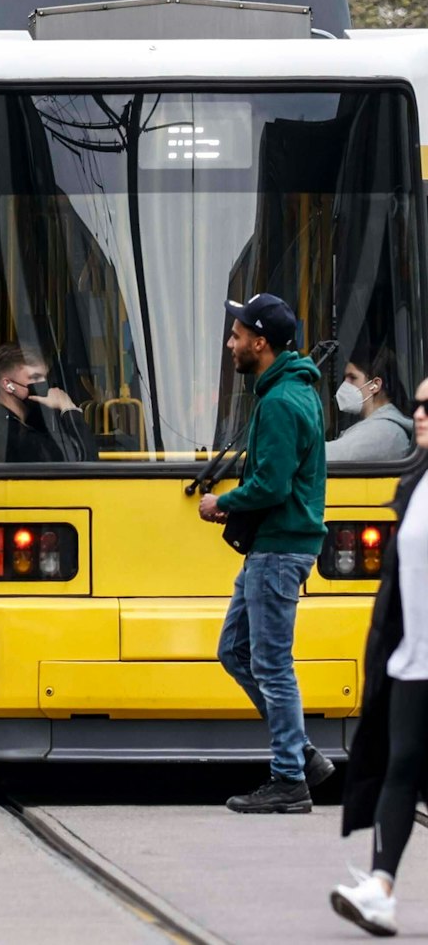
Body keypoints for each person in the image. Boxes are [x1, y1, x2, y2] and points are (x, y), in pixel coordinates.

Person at [196, 294, 333, 813]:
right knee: (234, 650)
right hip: (272, 548)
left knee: (272, 664)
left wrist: (222, 502)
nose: (230, 345)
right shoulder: (288, 391)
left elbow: (272, 484)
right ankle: (300, 756)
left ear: (260, 342)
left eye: (236, 336)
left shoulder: (279, 402)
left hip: (279, 549)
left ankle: (288, 780)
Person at [332, 376, 428, 934]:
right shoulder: (414, 483)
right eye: (415, 404)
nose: (417, 414)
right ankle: (379, 889)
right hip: (412, 662)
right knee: (401, 769)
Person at [0, 344, 93, 463]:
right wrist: (69, 409)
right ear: (8, 385)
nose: (44, 384)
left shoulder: (23, 422)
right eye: (35, 378)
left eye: (45, 378)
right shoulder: (11, 435)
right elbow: (84, 461)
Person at [328, 349, 413, 463]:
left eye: (352, 378)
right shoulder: (377, 426)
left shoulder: (383, 432)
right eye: (345, 379)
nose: (345, 385)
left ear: (375, 385)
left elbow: (329, 456)